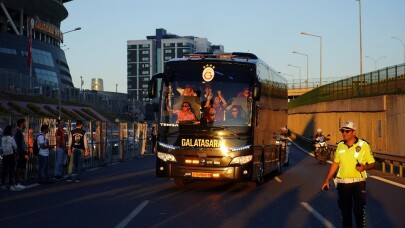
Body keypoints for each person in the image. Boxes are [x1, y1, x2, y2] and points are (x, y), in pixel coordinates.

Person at [321, 121, 375, 228]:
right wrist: (327, 180)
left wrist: (364, 167)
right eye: (342, 131)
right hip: (343, 183)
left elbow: (372, 164)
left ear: (354, 132)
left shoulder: (363, 145)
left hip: (358, 183)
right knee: (345, 212)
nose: (344, 133)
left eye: (347, 131)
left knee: (359, 211)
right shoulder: (340, 145)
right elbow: (335, 164)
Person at [1, 125, 20, 191]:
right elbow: (15, 147)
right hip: (11, 155)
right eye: (12, 130)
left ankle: (3, 184)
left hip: (5, 155)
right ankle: (11, 185)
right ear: (10, 131)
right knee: (11, 170)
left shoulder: (3, 138)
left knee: (4, 170)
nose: (13, 131)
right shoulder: (11, 138)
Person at [14, 118, 29, 189]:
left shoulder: (19, 133)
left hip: (21, 152)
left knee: (21, 167)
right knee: (19, 167)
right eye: (24, 123)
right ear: (21, 124)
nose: (25, 124)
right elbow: (20, 145)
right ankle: (17, 183)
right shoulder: (19, 133)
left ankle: (17, 182)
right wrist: (24, 153)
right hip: (20, 153)